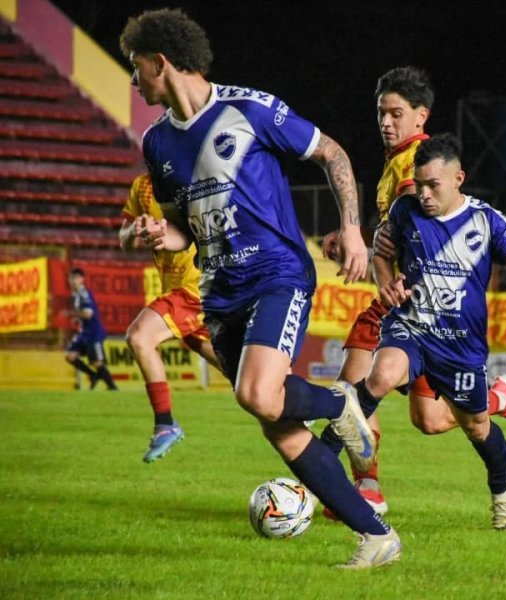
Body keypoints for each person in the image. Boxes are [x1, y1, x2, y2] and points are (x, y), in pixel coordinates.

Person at [119, 8, 399, 568]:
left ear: (161, 62)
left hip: (276, 275)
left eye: (136, 68)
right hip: (218, 294)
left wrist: (350, 226)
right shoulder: (156, 144)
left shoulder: (250, 108)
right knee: (279, 428)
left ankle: (339, 403)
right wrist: (150, 234)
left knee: (255, 394)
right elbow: (183, 231)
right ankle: (376, 537)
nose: (132, 80)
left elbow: (333, 153)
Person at [319, 67, 506, 517]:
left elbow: (416, 223)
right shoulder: (397, 161)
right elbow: (389, 240)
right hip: (403, 306)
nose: (385, 121)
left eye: (396, 113)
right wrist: (354, 241)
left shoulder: (416, 166)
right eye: (381, 112)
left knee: (355, 389)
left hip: (424, 309)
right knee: (430, 419)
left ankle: (349, 485)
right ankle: (500, 398)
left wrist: (360, 239)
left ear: (421, 116)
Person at [364, 133, 506, 530]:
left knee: (470, 426)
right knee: (379, 377)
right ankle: (313, 483)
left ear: (458, 179)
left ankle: (503, 488)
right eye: (420, 185)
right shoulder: (404, 210)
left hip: (460, 345)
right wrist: (384, 281)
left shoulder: (487, 220)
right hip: (412, 326)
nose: (425, 194)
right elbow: (380, 254)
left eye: (434, 185)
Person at [120, 173, 224, 463]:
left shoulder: (192, 176)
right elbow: (123, 239)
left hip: (196, 287)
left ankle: (165, 423)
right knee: (234, 369)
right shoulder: (141, 185)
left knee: (139, 336)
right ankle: (289, 402)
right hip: (175, 286)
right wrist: (135, 231)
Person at [64, 267, 118, 391]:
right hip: (83, 332)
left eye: (75, 278)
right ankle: (93, 376)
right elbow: (82, 314)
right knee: (70, 356)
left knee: (97, 363)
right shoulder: (75, 294)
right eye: (70, 278)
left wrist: (72, 314)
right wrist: (77, 319)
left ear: (82, 279)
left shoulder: (84, 293)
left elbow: (88, 313)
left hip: (93, 333)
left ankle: (113, 388)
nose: (72, 281)